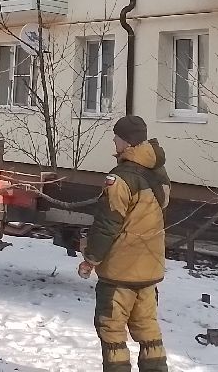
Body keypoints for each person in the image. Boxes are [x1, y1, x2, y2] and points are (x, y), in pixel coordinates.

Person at [78, 115, 170, 372]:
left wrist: (91, 258)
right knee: (148, 330)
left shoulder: (119, 180)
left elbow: (108, 225)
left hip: (120, 271)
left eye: (116, 137)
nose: (114, 142)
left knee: (112, 331)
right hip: (149, 268)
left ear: (127, 142)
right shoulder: (159, 175)